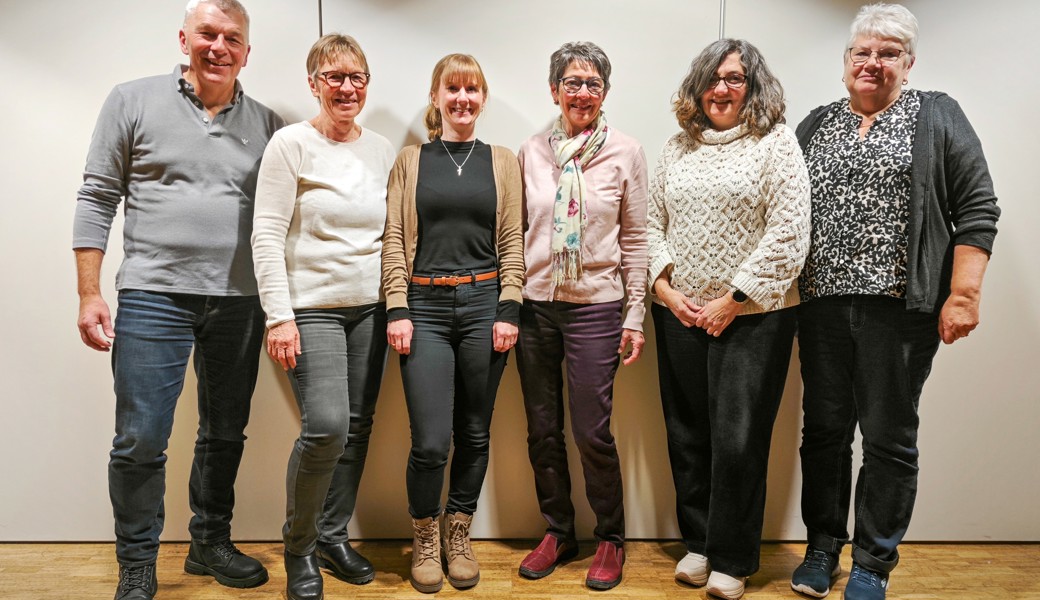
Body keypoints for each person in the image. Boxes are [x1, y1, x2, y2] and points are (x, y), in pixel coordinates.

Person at [72, 1, 284, 599]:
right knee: (140, 438)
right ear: (184, 38)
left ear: (247, 51)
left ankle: (208, 542)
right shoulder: (131, 100)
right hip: (151, 295)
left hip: (239, 301)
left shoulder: (267, 123)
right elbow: (96, 196)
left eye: (232, 39)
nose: (219, 47)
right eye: (208, 35)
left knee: (225, 431)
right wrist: (89, 292)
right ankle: (137, 563)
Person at [790, 5, 1000, 600]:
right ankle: (822, 548)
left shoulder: (935, 115)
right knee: (824, 432)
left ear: (908, 63)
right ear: (846, 62)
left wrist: (963, 293)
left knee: (887, 435)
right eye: (863, 52)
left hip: (899, 311)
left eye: (888, 53)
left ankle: (872, 563)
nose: (873, 63)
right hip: (821, 306)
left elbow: (977, 208)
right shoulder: (815, 124)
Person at [647, 39, 810, 600]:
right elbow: (650, 225)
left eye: (735, 79)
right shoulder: (675, 148)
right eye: (712, 78)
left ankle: (734, 558)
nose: (721, 88)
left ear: (753, 87)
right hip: (680, 314)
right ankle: (700, 543)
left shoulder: (777, 144)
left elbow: (789, 231)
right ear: (697, 86)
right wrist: (666, 291)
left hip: (754, 317)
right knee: (687, 433)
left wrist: (734, 298)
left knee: (738, 439)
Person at [251, 34, 394, 600]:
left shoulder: (381, 149)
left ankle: (334, 535)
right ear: (313, 83)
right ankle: (300, 547)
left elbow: (391, 234)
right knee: (327, 426)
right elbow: (265, 232)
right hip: (310, 309)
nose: (346, 87)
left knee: (357, 429)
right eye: (333, 76)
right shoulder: (291, 145)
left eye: (356, 77)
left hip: (370, 310)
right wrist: (278, 316)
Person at [381, 53, 524, 594]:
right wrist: (397, 307)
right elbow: (394, 238)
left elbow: (513, 239)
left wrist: (509, 308)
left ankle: (457, 531)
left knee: (474, 432)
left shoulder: (502, 160)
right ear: (436, 96)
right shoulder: (411, 160)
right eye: (453, 88)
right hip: (425, 308)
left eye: (472, 89)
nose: (463, 98)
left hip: (486, 302)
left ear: (482, 98)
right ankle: (424, 535)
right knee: (432, 441)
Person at [513, 41, 647, 591]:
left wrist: (635, 315)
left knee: (591, 430)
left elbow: (637, 237)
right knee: (543, 429)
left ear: (605, 93)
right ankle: (558, 530)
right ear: (554, 91)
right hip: (536, 308)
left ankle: (610, 537)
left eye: (593, 84)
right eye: (572, 83)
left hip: (597, 305)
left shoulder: (626, 151)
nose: (582, 93)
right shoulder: (530, 153)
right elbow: (515, 230)